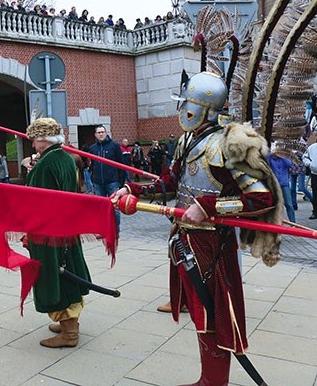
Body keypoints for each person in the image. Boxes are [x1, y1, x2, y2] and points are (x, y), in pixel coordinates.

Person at [112, 71, 282, 385]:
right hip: (184, 238)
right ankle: (208, 378)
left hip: (213, 245)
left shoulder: (230, 145)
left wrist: (209, 207)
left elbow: (261, 199)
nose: (183, 111)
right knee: (202, 314)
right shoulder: (188, 140)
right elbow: (171, 182)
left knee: (214, 314)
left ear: (201, 108)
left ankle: (214, 381)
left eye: (188, 104)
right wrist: (133, 191)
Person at [24, 117, 91, 348]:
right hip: (66, 227)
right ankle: (67, 323)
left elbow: (36, 201)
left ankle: (69, 332)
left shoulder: (46, 164)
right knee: (69, 270)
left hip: (49, 232)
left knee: (57, 276)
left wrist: (29, 230)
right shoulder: (65, 157)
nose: (33, 145)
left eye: (35, 140)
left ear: (44, 139)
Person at [89, 125, 124, 228]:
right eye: (99, 132)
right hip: (98, 182)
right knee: (100, 207)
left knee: (115, 207)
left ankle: (115, 229)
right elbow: (92, 165)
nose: (101, 134)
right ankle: (103, 229)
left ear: (106, 133)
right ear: (95, 135)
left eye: (102, 132)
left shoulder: (114, 146)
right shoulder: (92, 148)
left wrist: (120, 182)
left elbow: (121, 164)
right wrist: (93, 178)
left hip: (112, 181)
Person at [268, 146, 295, 223]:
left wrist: (282, 156)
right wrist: (272, 154)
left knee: (289, 204)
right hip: (275, 184)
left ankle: (293, 222)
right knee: (276, 204)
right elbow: (267, 163)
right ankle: (276, 221)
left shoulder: (284, 158)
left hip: (284, 183)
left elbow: (289, 164)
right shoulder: (270, 158)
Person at [302, 141, 317, 219]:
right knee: (315, 194)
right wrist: (310, 164)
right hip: (315, 174)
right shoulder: (312, 147)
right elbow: (305, 157)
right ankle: (315, 212)